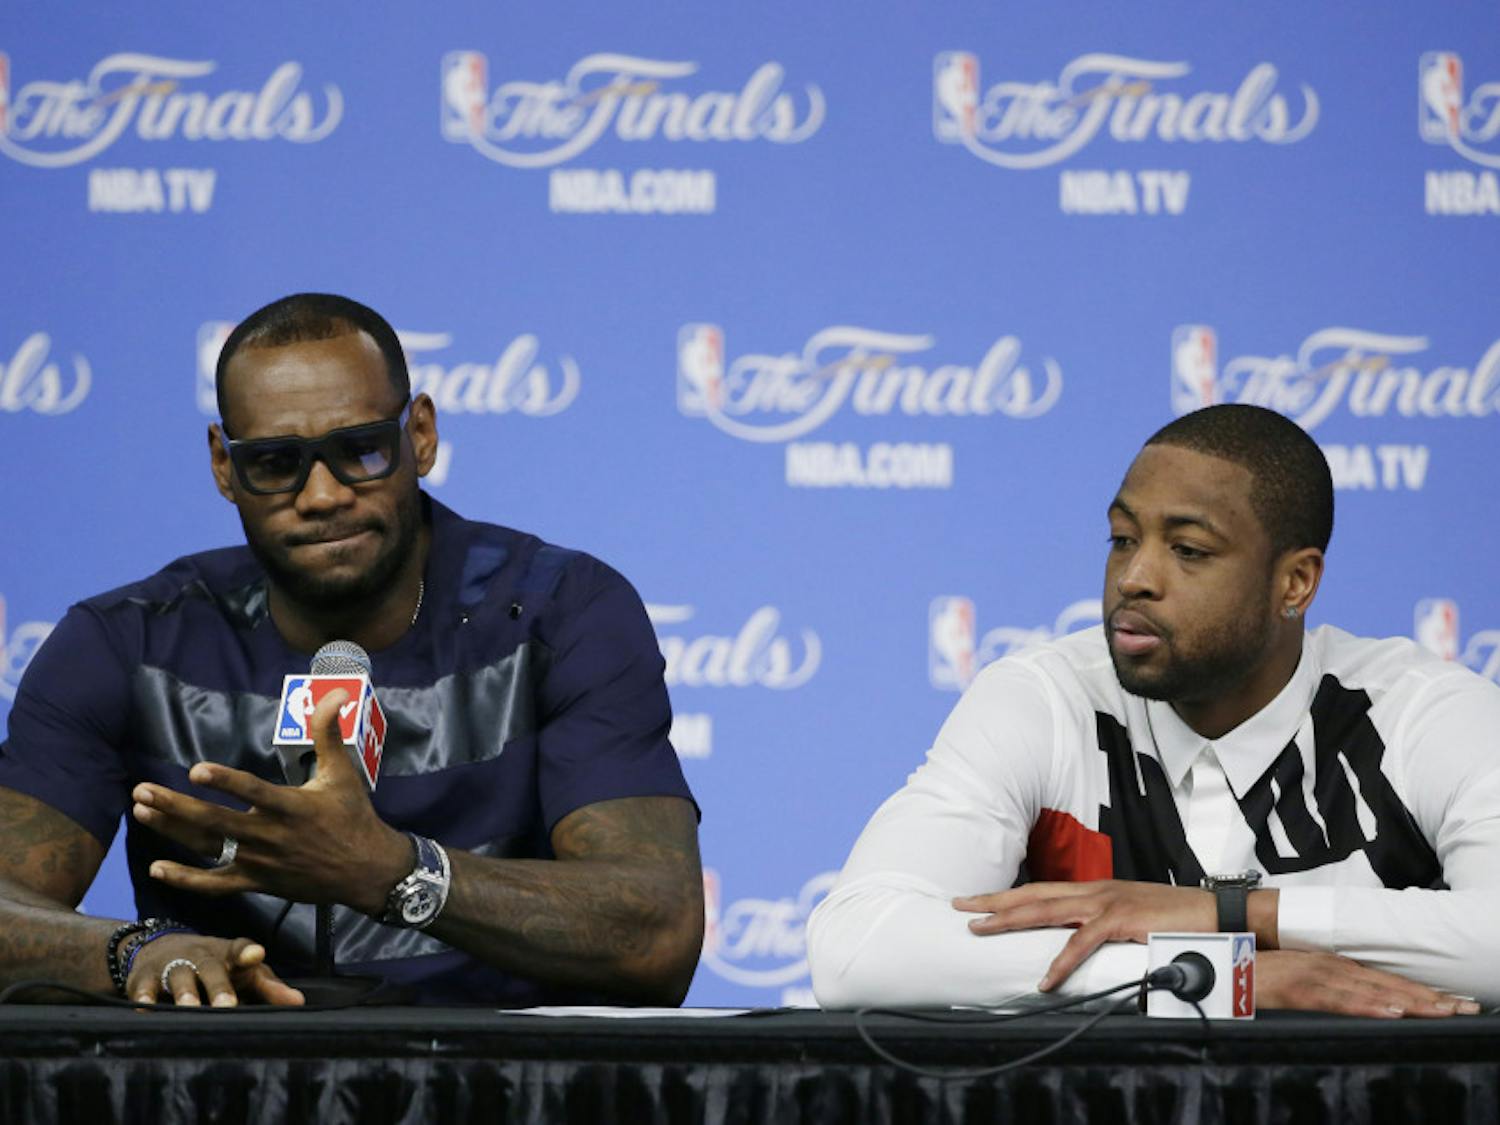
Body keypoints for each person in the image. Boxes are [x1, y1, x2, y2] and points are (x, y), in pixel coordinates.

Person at [0, 293, 702, 1008]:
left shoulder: (559, 613)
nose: (323, 494)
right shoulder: (127, 643)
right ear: (222, 464)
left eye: (360, 448)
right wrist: (133, 950)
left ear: (420, 435)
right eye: (275, 462)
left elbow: (661, 930)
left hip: (502, 1086)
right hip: (223, 1088)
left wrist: (392, 870)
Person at [808, 404, 1500, 1018]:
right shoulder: (1046, 697)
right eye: (1121, 538)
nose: (1134, 576)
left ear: (1295, 581)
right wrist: (1220, 974)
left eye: (1188, 549)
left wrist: (1227, 914)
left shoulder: (1419, 711)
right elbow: (856, 945)